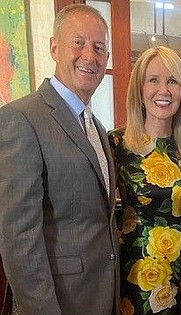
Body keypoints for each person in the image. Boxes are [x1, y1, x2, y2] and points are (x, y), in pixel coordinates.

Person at [0, 4, 119, 315]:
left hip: (101, 295)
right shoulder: (21, 118)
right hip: (60, 303)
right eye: (77, 43)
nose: (89, 56)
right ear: (54, 47)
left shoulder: (97, 127)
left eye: (99, 47)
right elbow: (19, 241)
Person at [108, 46, 181, 315]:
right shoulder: (116, 143)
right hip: (135, 269)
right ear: (139, 90)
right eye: (154, 80)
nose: (164, 90)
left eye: (172, 80)